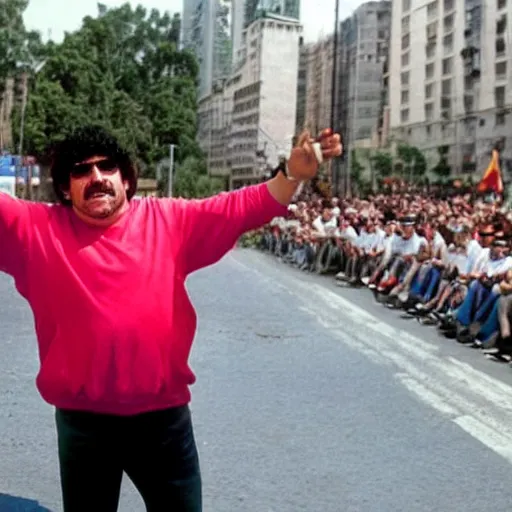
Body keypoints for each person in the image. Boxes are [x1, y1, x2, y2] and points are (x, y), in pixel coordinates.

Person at [0, 125, 342, 512]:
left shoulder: (168, 220)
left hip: (162, 423)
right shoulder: (36, 232)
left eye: (106, 166)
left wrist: (293, 174)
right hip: (83, 425)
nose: (96, 178)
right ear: (65, 188)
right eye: (81, 171)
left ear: (126, 178)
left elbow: (241, 207)